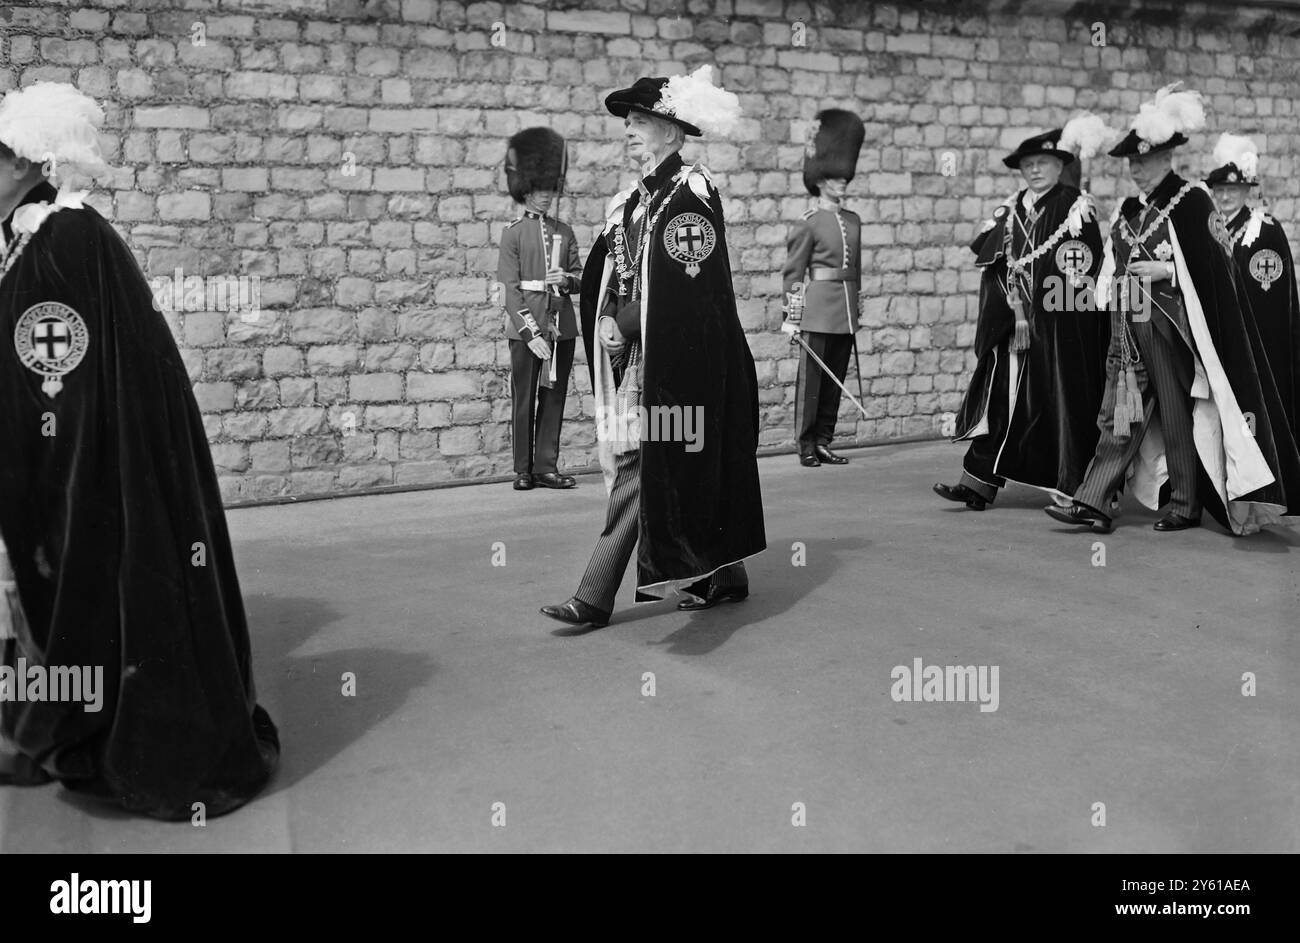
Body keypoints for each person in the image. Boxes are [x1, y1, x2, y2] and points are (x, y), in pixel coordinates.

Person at [0, 82, 278, 815]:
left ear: (41, 163)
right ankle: (42, 728)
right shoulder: (31, 230)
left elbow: (62, 368)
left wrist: (45, 458)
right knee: (33, 603)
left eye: (4, 156)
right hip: (50, 457)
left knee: (75, 596)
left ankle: (83, 737)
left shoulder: (68, 238)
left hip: (78, 465)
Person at [541, 66, 766, 627]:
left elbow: (692, 286)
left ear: (671, 130)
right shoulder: (629, 203)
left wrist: (627, 321)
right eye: (628, 121)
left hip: (680, 359)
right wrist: (583, 291)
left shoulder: (692, 192)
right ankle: (723, 572)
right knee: (670, 469)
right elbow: (616, 272)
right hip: (636, 361)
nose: (628, 129)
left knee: (647, 470)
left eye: (640, 120)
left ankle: (593, 596)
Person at [1045, 84, 1300, 535]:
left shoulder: (1192, 200)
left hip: (1171, 326)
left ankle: (1184, 502)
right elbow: (1110, 264)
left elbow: (1220, 270)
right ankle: (1094, 501)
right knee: (1119, 412)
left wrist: (1168, 270)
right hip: (1126, 326)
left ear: (1166, 159)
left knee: (1176, 414)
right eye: (1131, 164)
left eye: (1142, 162)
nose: (1135, 171)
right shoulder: (1127, 209)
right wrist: (1097, 290)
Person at [934, 118, 1109, 510]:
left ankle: (1070, 487)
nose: (1033, 169)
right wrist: (1010, 314)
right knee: (999, 399)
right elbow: (992, 262)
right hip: (1013, 324)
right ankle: (977, 483)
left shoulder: (1075, 206)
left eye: (1042, 162)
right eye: (1027, 163)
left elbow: (1084, 272)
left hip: (1058, 328)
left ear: (1059, 165)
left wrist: (1047, 316)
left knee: (1058, 405)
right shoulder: (1010, 208)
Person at [497, 127, 582, 490]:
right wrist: (531, 333)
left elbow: (582, 278)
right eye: (538, 189)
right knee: (523, 399)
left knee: (554, 396)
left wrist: (565, 280)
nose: (545, 196)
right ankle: (522, 469)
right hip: (525, 328)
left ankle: (546, 465)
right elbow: (509, 289)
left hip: (561, 324)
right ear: (525, 189)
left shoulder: (565, 230)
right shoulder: (513, 234)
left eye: (549, 189)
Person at [781, 109, 865, 467]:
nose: (841, 181)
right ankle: (805, 444)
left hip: (843, 310)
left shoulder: (853, 220)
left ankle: (825, 440)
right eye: (834, 176)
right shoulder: (809, 223)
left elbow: (856, 269)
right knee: (811, 385)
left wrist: (857, 306)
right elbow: (793, 272)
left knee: (834, 382)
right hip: (816, 309)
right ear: (820, 179)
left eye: (844, 176)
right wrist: (792, 317)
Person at [1206, 133, 1299, 439]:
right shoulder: (1213, 229)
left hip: (1258, 342)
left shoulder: (1264, 230)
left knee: (1256, 422)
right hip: (1221, 342)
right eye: (1219, 189)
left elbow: (1269, 298)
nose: (1225, 196)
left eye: (1232, 189)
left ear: (1246, 189)